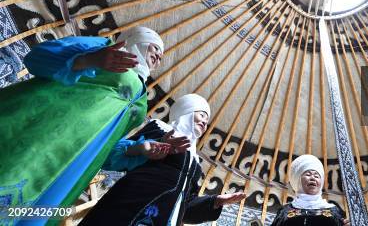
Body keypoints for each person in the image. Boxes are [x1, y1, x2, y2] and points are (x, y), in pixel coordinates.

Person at [0, 26, 164, 219]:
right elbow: (36, 58)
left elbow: (106, 149)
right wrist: (90, 60)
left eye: (162, 56)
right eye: (155, 48)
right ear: (137, 38)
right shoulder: (106, 48)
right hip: (40, 131)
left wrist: (139, 149)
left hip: (74, 166)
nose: (159, 57)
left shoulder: (142, 98)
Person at [79, 93, 246, 225]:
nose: (204, 122)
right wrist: (144, 147)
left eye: (207, 120)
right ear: (186, 111)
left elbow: (185, 206)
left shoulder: (196, 163)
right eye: (201, 115)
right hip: (131, 203)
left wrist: (214, 202)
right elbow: (113, 155)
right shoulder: (161, 129)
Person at [271, 154, 347, 226]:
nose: (313, 178)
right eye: (308, 174)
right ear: (298, 179)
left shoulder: (333, 210)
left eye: (316, 176)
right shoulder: (284, 211)